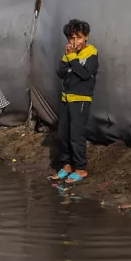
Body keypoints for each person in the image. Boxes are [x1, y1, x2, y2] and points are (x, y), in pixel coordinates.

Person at [50, 19, 98, 185]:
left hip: (81, 100)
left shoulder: (91, 54)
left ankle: (81, 168)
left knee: (76, 135)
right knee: (63, 134)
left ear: (86, 37)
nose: (75, 42)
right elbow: (61, 73)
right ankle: (66, 165)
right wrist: (67, 58)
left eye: (78, 37)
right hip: (66, 98)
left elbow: (84, 74)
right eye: (71, 38)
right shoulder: (69, 53)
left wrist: (73, 58)